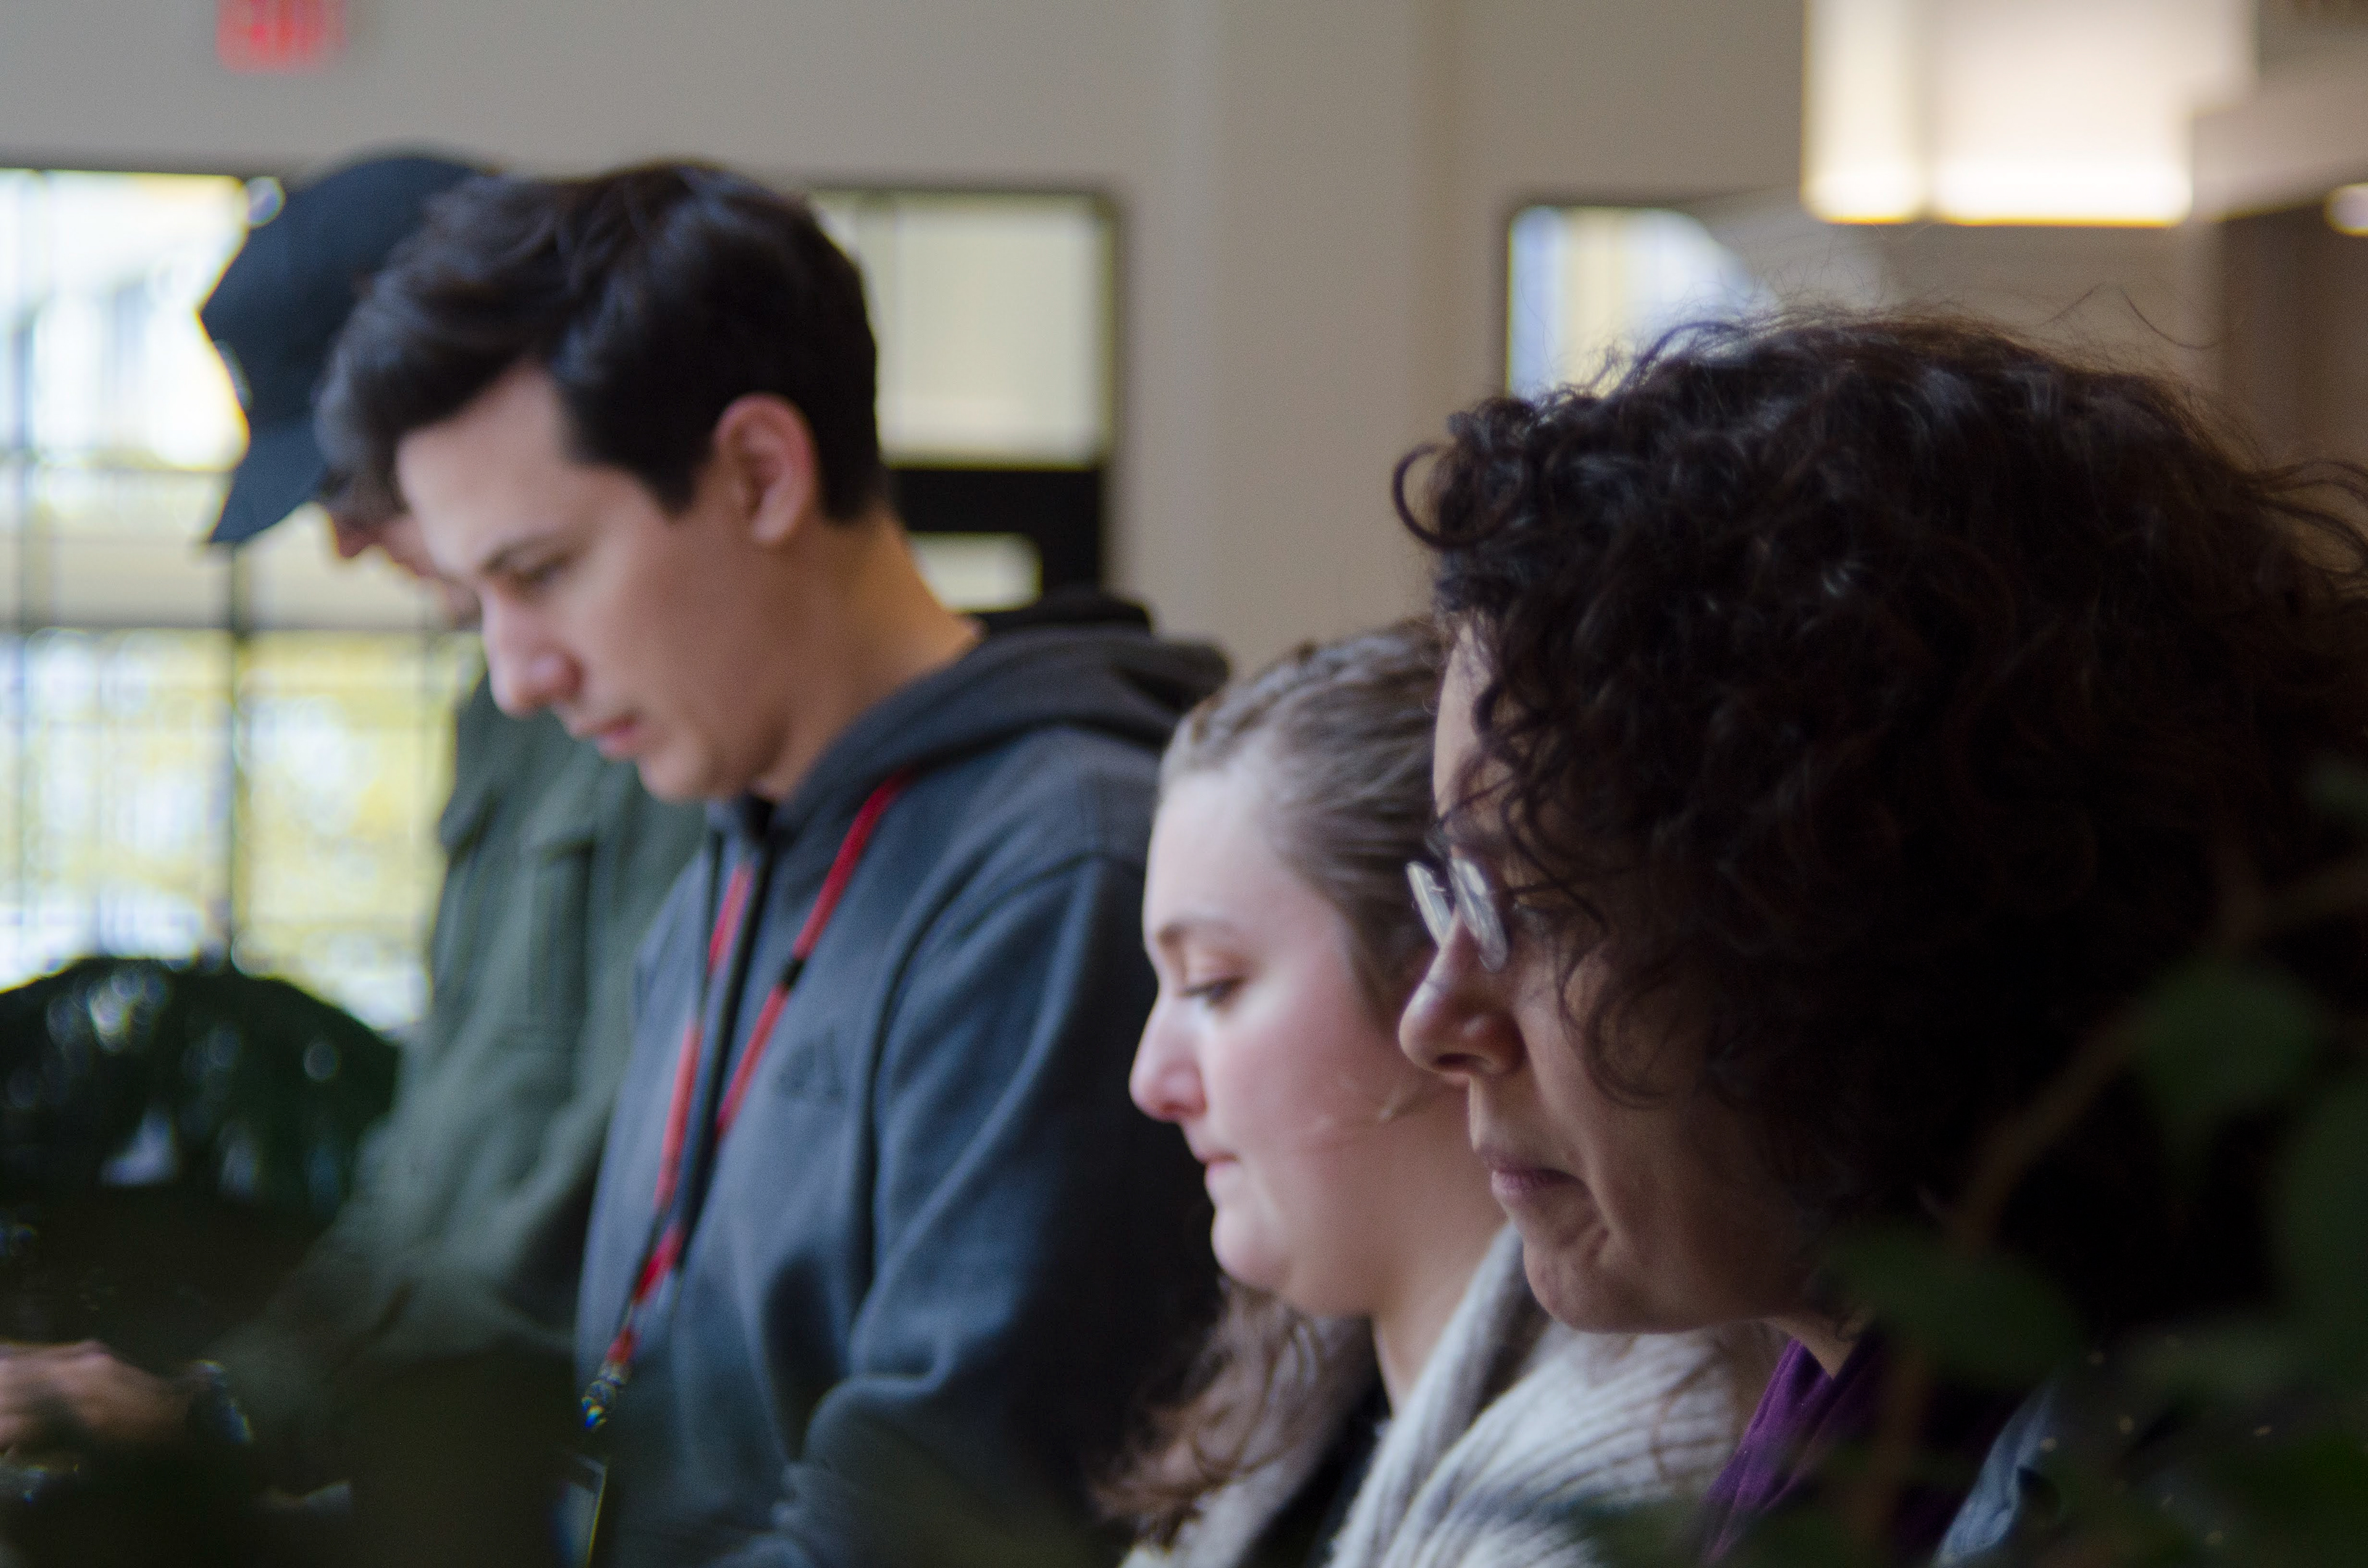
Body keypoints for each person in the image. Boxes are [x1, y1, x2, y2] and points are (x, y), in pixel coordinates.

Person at [313, 161, 1226, 1568]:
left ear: (759, 473)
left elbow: (925, 1534)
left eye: (542, 572)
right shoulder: (727, 862)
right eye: (475, 597)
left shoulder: (1059, 882)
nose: (515, 676)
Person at [1391, 316, 2368, 1561]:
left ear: (1864, 924)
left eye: (1531, 905)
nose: (1436, 1023)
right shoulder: (1897, 1439)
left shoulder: (2211, 1515)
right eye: (1457, 892)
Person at [0, 152, 708, 1568]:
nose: (340, 539)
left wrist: (229, 1417)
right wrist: (206, 1403)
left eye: (351, 480)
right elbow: (440, 1154)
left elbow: (569, 1195)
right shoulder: (508, 716)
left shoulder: (675, 717)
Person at [1114, 623, 1762, 1568]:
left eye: (1214, 984)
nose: (1152, 1081)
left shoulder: (1610, 1488)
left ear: (1435, 975)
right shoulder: (1295, 1390)